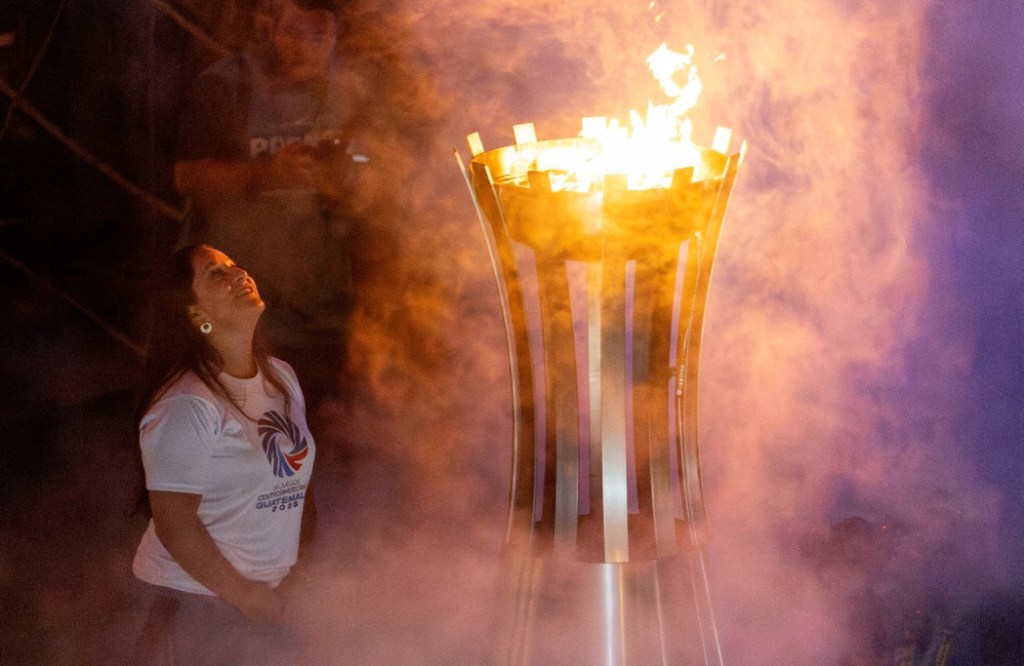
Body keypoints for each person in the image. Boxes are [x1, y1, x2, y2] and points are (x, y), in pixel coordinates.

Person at [174, 0, 367, 410]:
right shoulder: (228, 85)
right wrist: (267, 176)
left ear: (335, 37)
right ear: (271, 28)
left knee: (323, 432)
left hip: (324, 310)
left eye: (319, 35)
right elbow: (187, 178)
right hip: (243, 311)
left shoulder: (351, 91)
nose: (304, 47)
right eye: (293, 32)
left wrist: (349, 178)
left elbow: (377, 177)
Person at [132, 243, 316, 664]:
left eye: (235, 265)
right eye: (216, 274)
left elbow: (297, 483)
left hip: (264, 599)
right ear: (195, 314)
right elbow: (175, 526)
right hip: (197, 603)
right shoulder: (187, 403)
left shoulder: (281, 376)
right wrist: (248, 598)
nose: (239, 274)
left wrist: (296, 572)